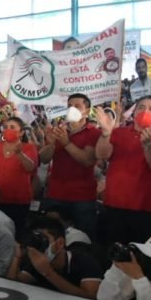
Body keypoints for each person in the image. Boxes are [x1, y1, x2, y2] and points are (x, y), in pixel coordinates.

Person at [95, 96, 151, 245]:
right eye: (141, 107)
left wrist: (149, 145)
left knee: (145, 261)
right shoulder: (118, 133)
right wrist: (105, 133)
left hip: (149, 210)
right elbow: (101, 155)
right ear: (134, 112)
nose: (145, 111)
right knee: (113, 256)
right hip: (114, 206)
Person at [39, 94, 100, 240]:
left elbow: (87, 160)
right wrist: (52, 142)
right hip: (56, 193)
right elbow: (44, 159)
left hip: (82, 197)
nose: (72, 109)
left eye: (77, 106)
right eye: (69, 106)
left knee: (83, 238)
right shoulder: (59, 131)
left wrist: (66, 143)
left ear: (87, 111)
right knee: (52, 237)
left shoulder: (93, 133)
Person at [7, 217, 103, 300]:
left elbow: (91, 297)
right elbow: (13, 286)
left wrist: (48, 273)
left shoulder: (84, 260)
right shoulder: (36, 259)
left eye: (44, 239)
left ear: (60, 243)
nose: (41, 246)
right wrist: (17, 257)